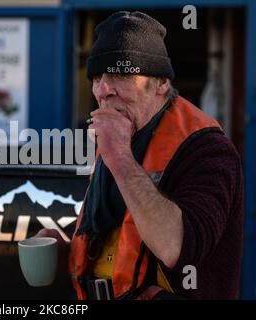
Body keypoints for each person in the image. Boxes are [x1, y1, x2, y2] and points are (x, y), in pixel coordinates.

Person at [36, 11, 243, 300]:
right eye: (96, 77)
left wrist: (119, 156)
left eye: (120, 74)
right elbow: (118, 234)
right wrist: (65, 248)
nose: (104, 90)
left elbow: (176, 247)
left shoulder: (208, 151)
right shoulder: (122, 139)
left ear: (161, 83)